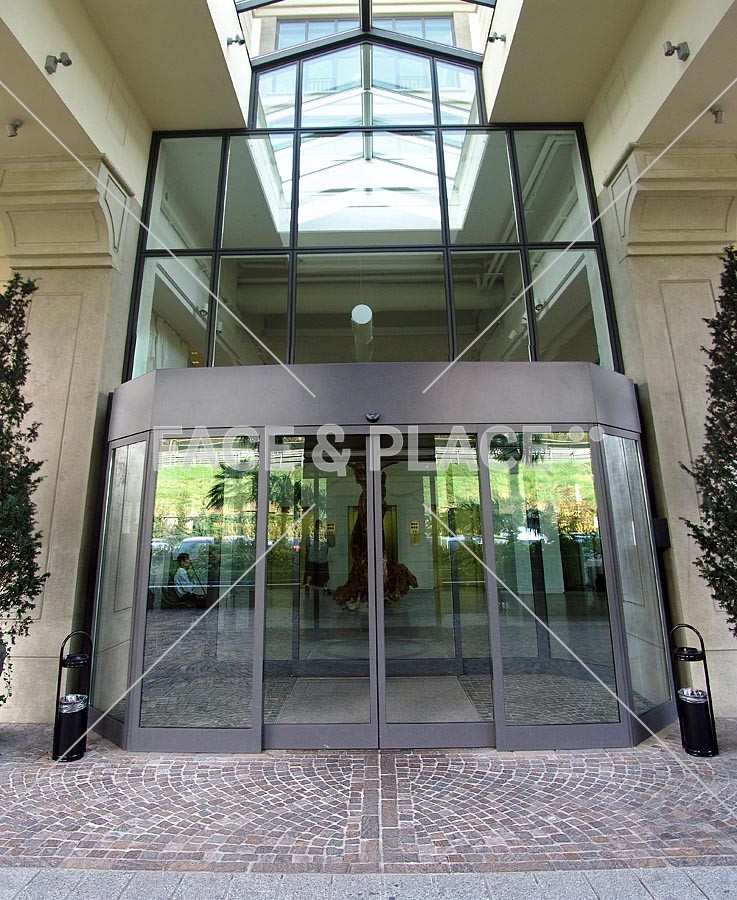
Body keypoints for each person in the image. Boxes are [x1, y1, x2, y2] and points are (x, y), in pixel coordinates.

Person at [303, 520, 330, 594]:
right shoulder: (323, 534)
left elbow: (307, 544)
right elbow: (328, 544)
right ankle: (325, 588)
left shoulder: (311, 534)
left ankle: (307, 585)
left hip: (313, 558)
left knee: (311, 573)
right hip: (321, 558)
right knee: (324, 574)